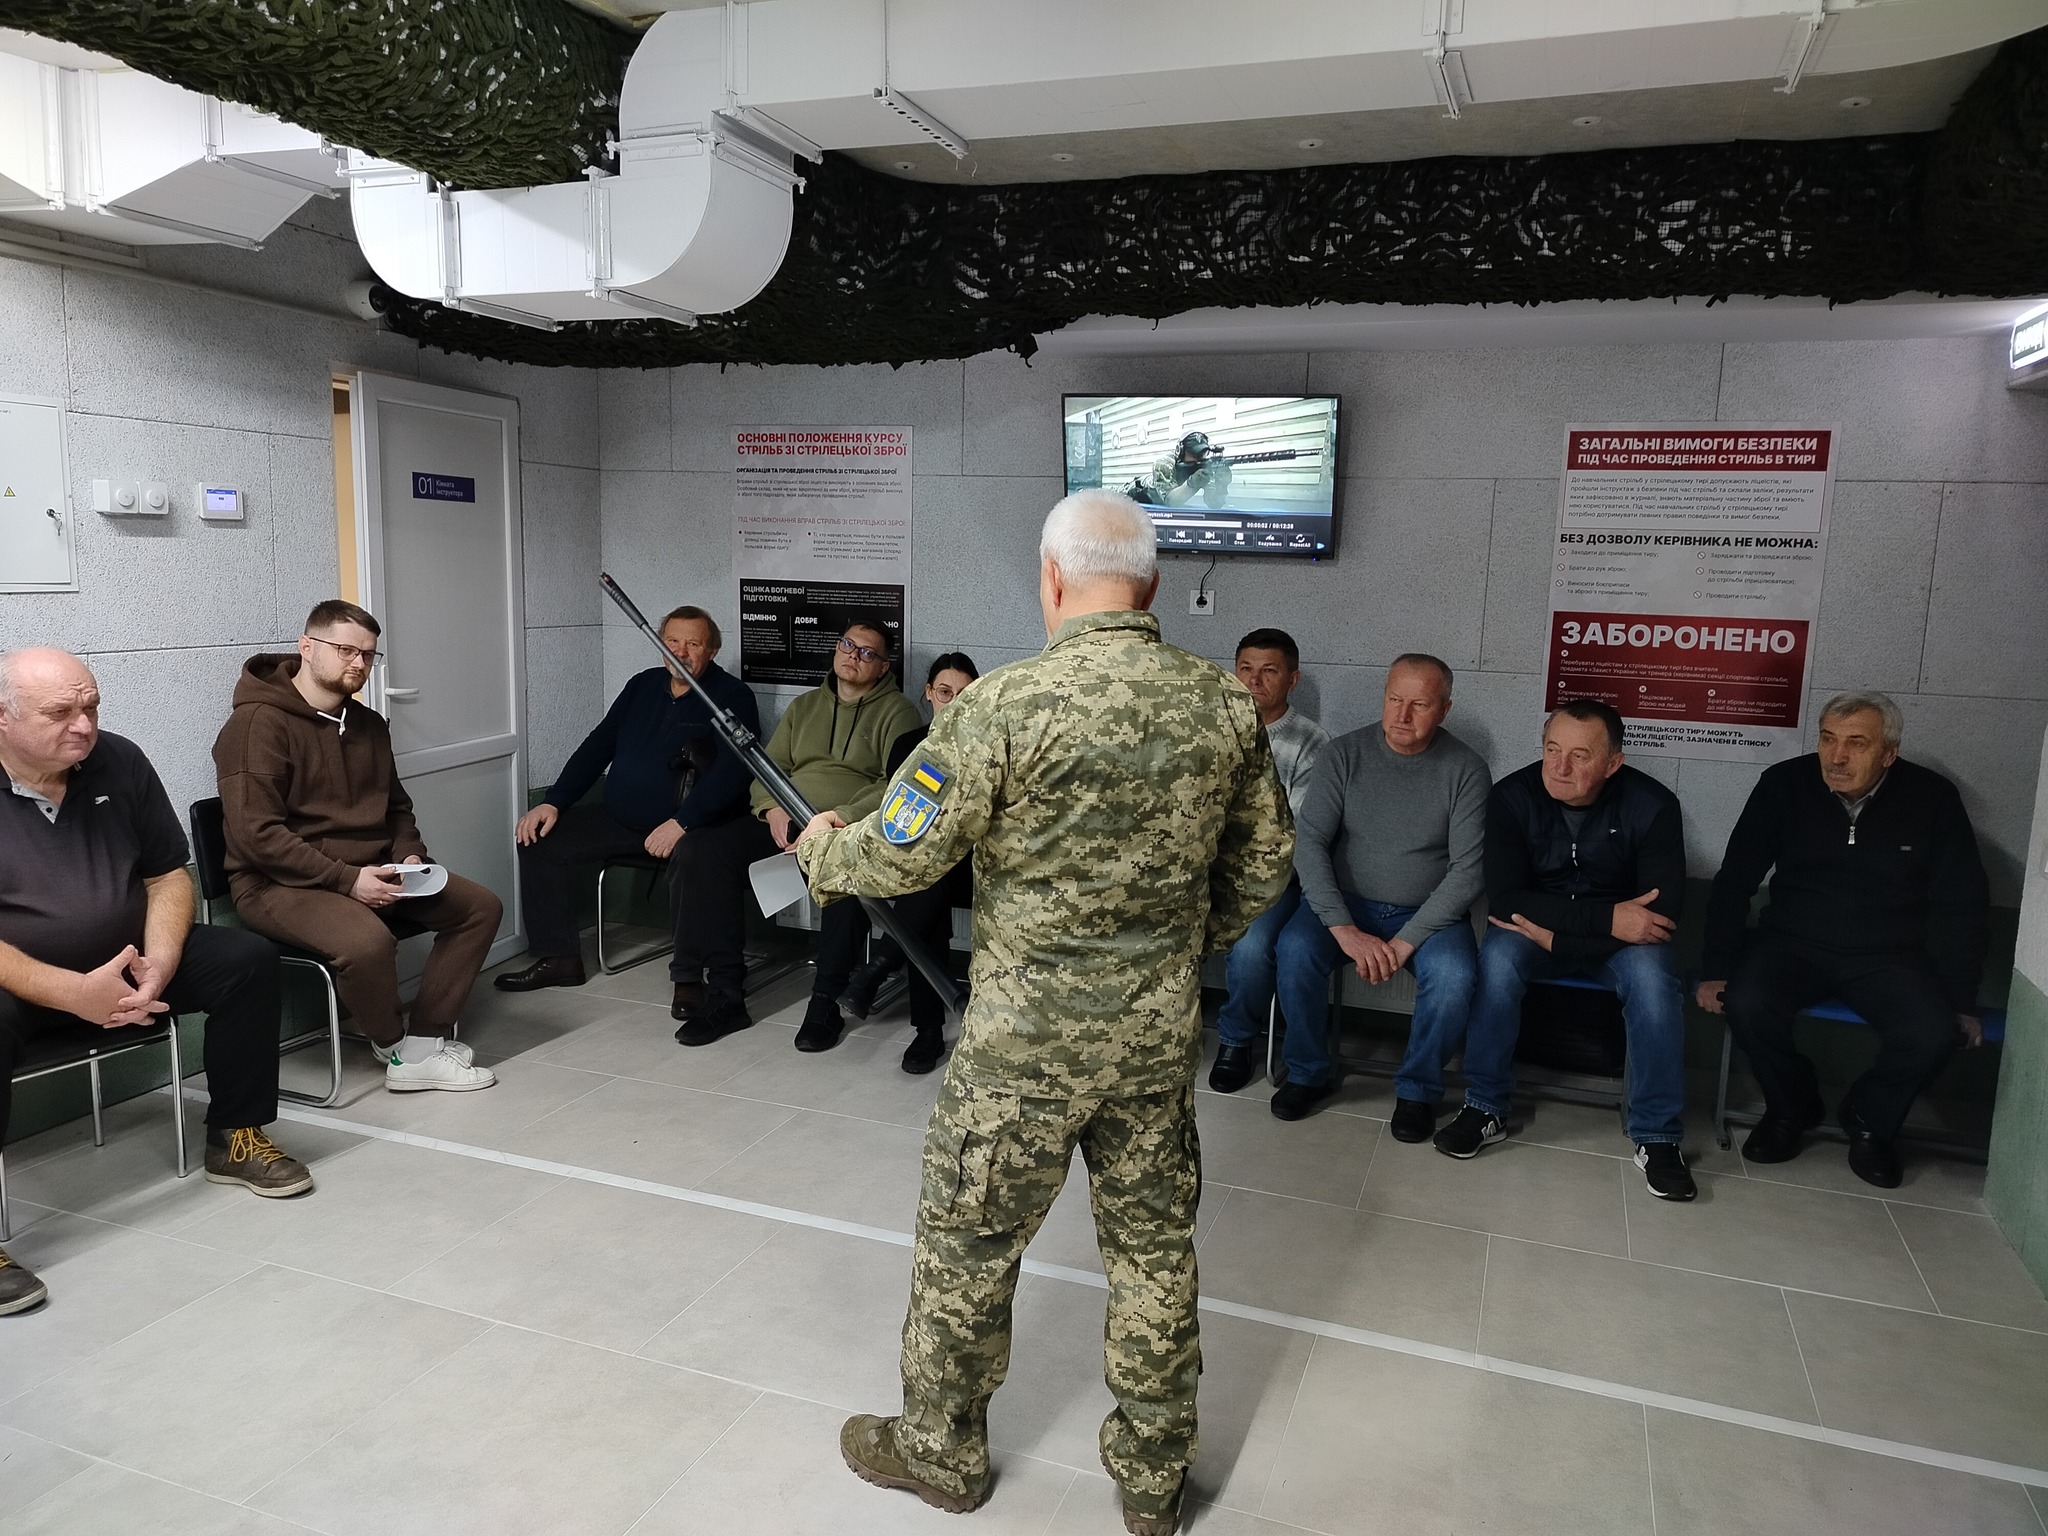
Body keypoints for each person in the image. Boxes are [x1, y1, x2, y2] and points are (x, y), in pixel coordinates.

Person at [793, 490, 1292, 1536]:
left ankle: (941, 1455)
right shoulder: (1223, 705)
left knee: (969, 1245)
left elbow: (902, 852)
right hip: (1152, 1043)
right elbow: (1261, 867)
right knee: (1154, 1252)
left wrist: (823, 853)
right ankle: (1153, 1483)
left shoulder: (1000, 705)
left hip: (1018, 1051)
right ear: (1151, 585)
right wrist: (1171, 949)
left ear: (1052, 579)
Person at [1, 649, 313, 1314]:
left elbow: (167, 874)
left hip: (128, 965)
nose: (84, 726)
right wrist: (72, 991)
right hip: (18, 983)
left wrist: (161, 962)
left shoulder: (118, 760)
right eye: (60, 712)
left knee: (243, 959)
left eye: (91, 706)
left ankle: (235, 1136)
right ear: (3, 717)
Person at [1697, 691, 1989, 1189]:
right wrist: (1715, 969)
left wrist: (1961, 1000)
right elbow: (1735, 879)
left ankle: (1871, 1121)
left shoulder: (1932, 798)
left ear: (1889, 753)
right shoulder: (1784, 785)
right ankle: (1791, 1107)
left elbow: (1963, 902)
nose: (1837, 757)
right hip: (1791, 944)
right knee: (1745, 1003)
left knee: (1933, 1032)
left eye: (1857, 743)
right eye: (1828, 739)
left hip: (1890, 955)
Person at [213, 601, 498, 1092]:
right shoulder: (257, 724)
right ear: (307, 647)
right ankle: (394, 1049)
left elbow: (396, 807)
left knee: (479, 908)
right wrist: (347, 881)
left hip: (371, 870)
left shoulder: (367, 724)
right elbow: (256, 835)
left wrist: (409, 856)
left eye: (368, 654)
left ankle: (422, 1043)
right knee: (368, 943)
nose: (358, 663)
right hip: (277, 883)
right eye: (346, 650)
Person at [1436, 699, 1695, 1202]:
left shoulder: (1653, 805)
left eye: (1580, 756)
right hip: (1544, 929)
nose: (1560, 767)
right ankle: (1485, 1106)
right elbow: (1507, 899)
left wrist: (1563, 937)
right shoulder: (1512, 796)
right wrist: (1607, 919)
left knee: (1654, 984)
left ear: (1613, 763)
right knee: (1497, 962)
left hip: (1608, 941)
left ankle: (1657, 1135)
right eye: (1552, 749)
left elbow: (1659, 916)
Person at [496, 605, 775, 1045]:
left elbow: (734, 772)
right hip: (621, 819)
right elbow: (598, 745)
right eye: (672, 641)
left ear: (713, 650)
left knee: (696, 860)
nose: (681, 651)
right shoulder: (642, 684)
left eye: (694, 644)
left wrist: (683, 822)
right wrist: (554, 801)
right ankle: (558, 958)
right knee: (539, 839)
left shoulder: (732, 695)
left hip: (690, 827)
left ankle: (688, 977)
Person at [1259, 655, 1489, 1132]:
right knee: (1295, 951)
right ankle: (1307, 1072)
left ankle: (1418, 1091)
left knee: (1454, 978)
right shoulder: (1344, 754)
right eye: (1394, 700)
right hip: (1346, 905)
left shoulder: (1466, 769)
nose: (1402, 715)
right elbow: (1309, 843)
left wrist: (1404, 942)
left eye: (1419, 705)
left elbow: (1468, 872)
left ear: (1444, 709)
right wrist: (1344, 930)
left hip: (1428, 915)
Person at [751, 618, 922, 1053]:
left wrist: (839, 817)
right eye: (847, 645)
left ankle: (825, 1001)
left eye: (867, 652)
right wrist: (771, 809)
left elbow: (894, 784)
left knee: (845, 883)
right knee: (707, 850)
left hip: (847, 829)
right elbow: (768, 767)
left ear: (882, 667)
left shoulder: (898, 712)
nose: (853, 656)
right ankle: (718, 985)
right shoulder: (805, 706)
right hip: (787, 822)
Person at [839, 652, 981, 1074]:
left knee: (929, 883)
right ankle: (927, 1029)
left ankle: (883, 967)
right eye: (945, 692)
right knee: (927, 889)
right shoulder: (908, 745)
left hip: (978, 865)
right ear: (928, 693)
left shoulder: (989, 747)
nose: (953, 702)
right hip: (922, 864)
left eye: (965, 694)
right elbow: (900, 817)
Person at [1207, 628, 1328, 1094]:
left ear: (1292, 680)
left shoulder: (1311, 743)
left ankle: (1236, 1039)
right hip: (1203, 870)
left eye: (1269, 671)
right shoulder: (1211, 728)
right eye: (1245, 669)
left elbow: (1291, 834)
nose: (1254, 681)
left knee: (1252, 945)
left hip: (1271, 881)